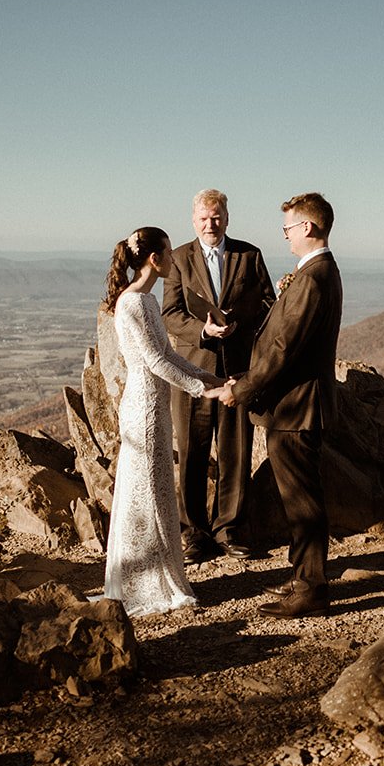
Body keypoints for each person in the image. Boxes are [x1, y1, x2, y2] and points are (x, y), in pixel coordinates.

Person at [209, 193, 342, 618]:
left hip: (297, 409)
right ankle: (303, 577)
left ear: (307, 227)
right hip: (296, 407)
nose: (284, 236)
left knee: (303, 501)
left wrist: (242, 389)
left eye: (288, 228)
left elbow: (284, 348)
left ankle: (312, 589)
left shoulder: (314, 278)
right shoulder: (317, 273)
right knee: (299, 498)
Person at [99, 226, 223, 617]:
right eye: (169, 253)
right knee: (146, 490)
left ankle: (160, 571)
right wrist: (201, 390)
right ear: (154, 259)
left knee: (154, 488)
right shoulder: (133, 303)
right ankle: (144, 582)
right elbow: (154, 362)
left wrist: (210, 378)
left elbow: (169, 355)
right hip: (145, 405)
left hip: (156, 400)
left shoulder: (147, 301)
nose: (174, 260)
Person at [162, 189, 276, 563]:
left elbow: (268, 304)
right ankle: (193, 533)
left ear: (227, 218)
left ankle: (229, 529)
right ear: (193, 220)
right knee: (193, 453)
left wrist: (240, 324)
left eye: (216, 217)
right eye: (203, 219)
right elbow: (170, 314)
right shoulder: (179, 258)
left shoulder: (249, 254)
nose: (210, 224)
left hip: (236, 371)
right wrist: (203, 331)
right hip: (194, 372)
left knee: (235, 453)